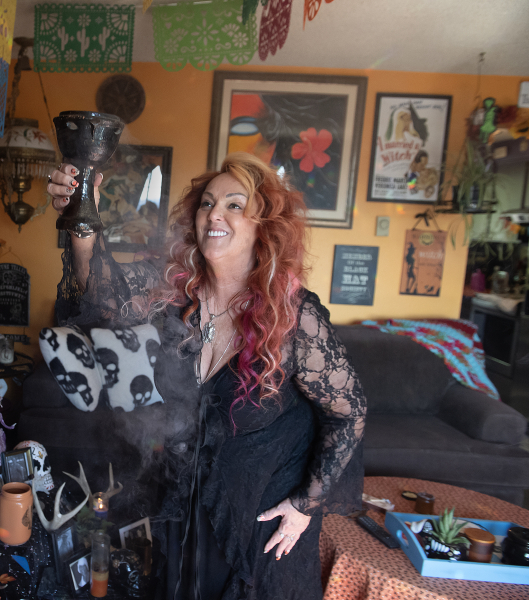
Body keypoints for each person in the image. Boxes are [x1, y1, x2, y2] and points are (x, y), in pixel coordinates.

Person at [47, 152, 366, 600]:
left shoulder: (294, 317)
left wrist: (303, 506)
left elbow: (348, 413)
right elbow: (101, 296)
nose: (214, 214)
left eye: (235, 205)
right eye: (207, 203)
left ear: (263, 225)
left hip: (261, 524)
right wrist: (83, 216)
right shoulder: (176, 292)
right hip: (191, 506)